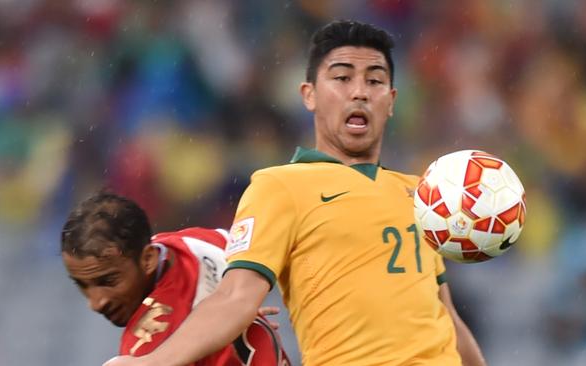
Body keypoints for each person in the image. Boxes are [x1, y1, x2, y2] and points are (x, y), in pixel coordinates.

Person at [104, 20, 486, 366]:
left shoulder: (421, 193)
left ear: (391, 101)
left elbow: (445, 317)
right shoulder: (280, 186)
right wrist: (154, 363)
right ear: (309, 95)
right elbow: (237, 297)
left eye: (374, 80)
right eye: (341, 78)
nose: (359, 92)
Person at [61, 191, 290, 365]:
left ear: (148, 259)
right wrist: (240, 307)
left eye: (109, 281)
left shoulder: (143, 351)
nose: (96, 302)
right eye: (83, 285)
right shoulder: (201, 242)